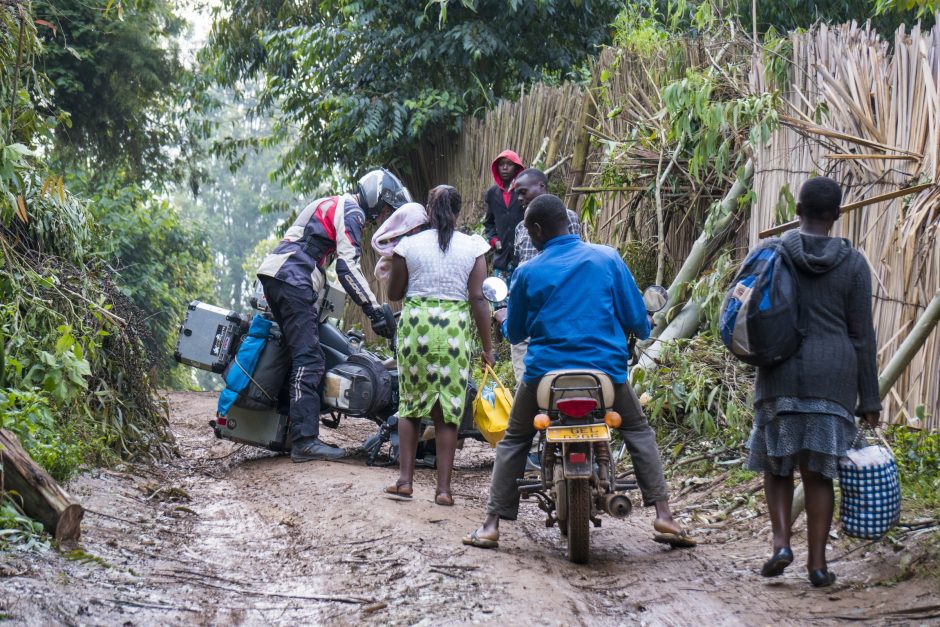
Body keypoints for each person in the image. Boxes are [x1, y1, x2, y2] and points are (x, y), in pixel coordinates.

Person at [463, 194, 693, 550]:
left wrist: (504, 318)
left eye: (529, 232)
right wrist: (643, 322)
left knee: (514, 440)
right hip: (606, 375)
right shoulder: (607, 258)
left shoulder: (527, 272)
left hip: (544, 378)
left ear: (537, 230)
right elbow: (638, 321)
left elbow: (518, 332)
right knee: (637, 431)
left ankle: (491, 525)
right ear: (568, 224)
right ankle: (663, 515)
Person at [746, 176, 880, 588]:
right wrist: (869, 397)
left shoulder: (770, 252)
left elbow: (743, 307)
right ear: (836, 216)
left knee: (778, 466)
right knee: (819, 475)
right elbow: (862, 335)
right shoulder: (854, 264)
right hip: (834, 379)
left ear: (797, 210)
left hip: (780, 372)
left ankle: (781, 543)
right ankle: (817, 566)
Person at [257, 168, 410, 463]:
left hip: (280, 276)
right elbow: (347, 266)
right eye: (387, 209)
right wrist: (374, 309)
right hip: (293, 277)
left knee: (297, 354)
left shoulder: (337, 204)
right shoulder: (351, 210)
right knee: (309, 357)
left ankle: (291, 431)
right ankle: (305, 441)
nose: (385, 217)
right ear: (377, 199)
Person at [385, 185, 495, 505]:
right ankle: (444, 491)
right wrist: (487, 347)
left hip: (416, 325)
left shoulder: (408, 245)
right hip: (453, 329)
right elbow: (478, 298)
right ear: (458, 212)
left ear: (428, 212)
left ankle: (405, 481)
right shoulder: (473, 247)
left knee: (410, 404)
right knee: (448, 412)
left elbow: (394, 294)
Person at [508, 168, 581, 383]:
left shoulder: (568, 218)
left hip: (556, 305)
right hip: (527, 304)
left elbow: (571, 257)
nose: (520, 198)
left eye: (523, 191)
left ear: (541, 186)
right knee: (523, 374)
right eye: (517, 194)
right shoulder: (521, 227)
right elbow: (518, 262)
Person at [483, 150, 525, 285]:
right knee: (499, 298)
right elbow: (489, 223)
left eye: (509, 164)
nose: (505, 168)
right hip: (502, 257)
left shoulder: (523, 191)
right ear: (497, 168)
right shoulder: (492, 194)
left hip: (522, 256)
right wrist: (495, 240)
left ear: (517, 168)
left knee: (521, 298)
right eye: (501, 165)